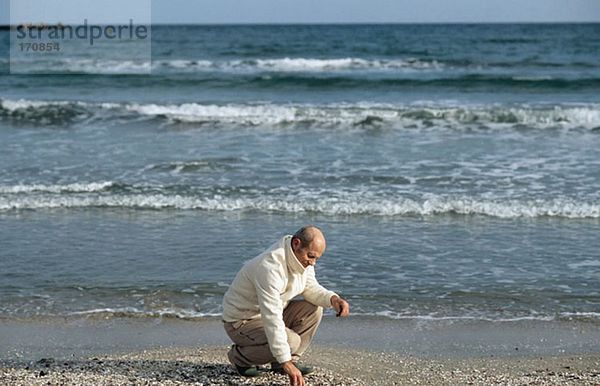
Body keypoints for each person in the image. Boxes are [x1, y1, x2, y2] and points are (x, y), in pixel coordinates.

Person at [222, 225, 350, 386]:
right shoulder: (270, 267)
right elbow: (272, 318)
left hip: (268, 314)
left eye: (316, 258)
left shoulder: (299, 259)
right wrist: (285, 360)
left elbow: (310, 287)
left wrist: (333, 299)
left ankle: (282, 363)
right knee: (291, 341)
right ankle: (239, 357)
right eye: (311, 256)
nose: (313, 263)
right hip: (241, 322)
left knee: (314, 309)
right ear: (296, 244)